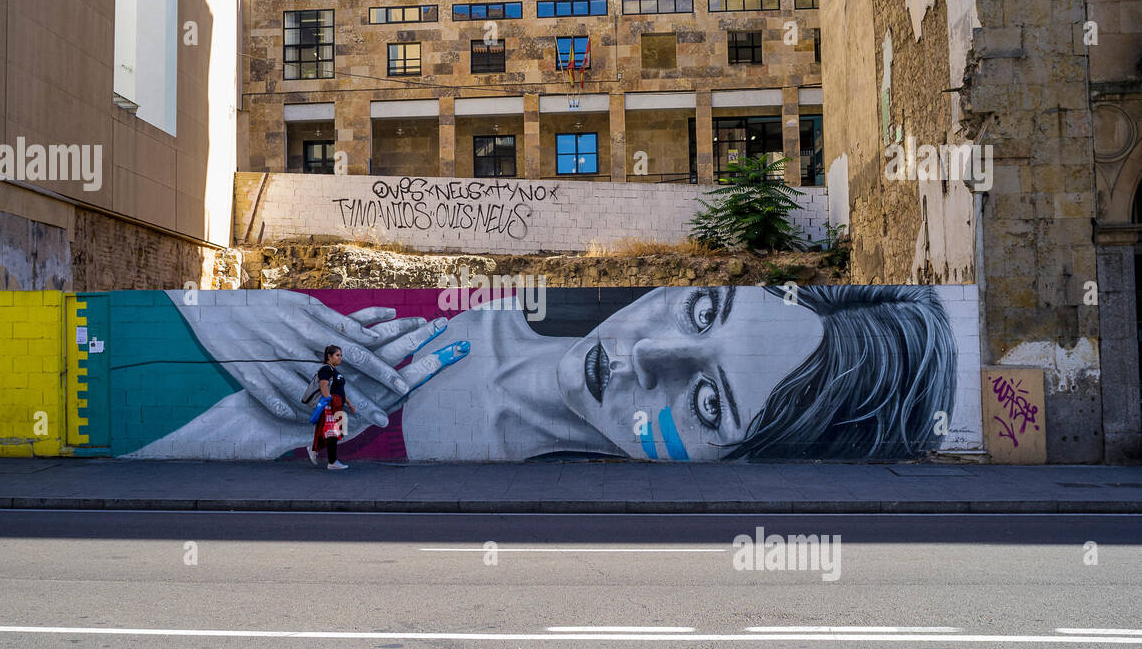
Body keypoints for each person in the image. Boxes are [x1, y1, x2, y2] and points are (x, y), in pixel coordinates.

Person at [133, 285, 960, 462]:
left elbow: (316, 436)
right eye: (702, 311)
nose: (644, 355)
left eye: (708, 402)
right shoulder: (488, 304)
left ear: (735, 461)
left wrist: (215, 340)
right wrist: (215, 311)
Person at [308, 345, 356, 470]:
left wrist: (350, 404)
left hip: (337, 404)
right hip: (331, 405)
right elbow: (323, 384)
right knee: (333, 433)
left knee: (335, 433)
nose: (340, 358)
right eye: (337, 355)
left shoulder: (335, 371)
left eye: (341, 355)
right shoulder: (326, 369)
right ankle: (332, 462)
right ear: (329, 356)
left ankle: (315, 449)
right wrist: (328, 400)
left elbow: (340, 391)